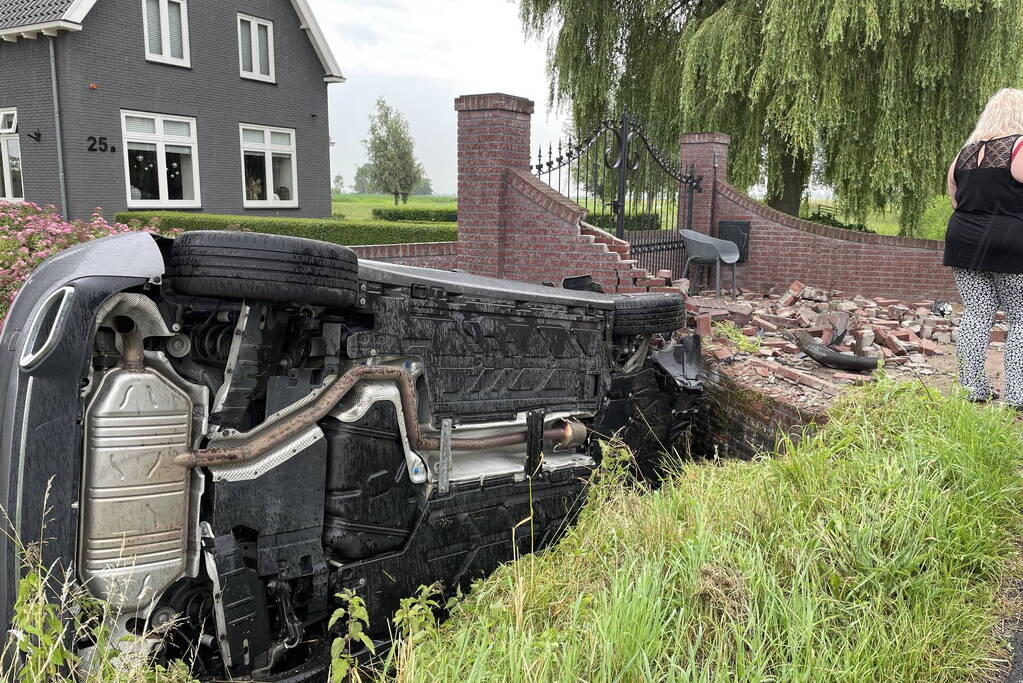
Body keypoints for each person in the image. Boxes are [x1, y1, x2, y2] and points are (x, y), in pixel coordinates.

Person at [945, 88, 1023, 408]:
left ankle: (972, 387)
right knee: (1020, 319)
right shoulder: (1019, 146)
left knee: (976, 314)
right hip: (1011, 244)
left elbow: (954, 197)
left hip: (964, 241)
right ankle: (1018, 394)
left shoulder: (964, 153)